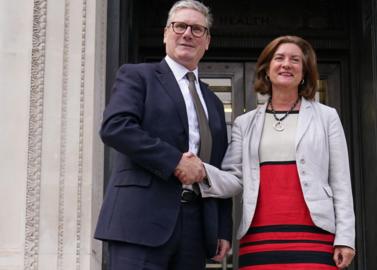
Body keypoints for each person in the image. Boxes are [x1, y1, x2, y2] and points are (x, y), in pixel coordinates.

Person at [178, 35, 355, 269]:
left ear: (304, 73)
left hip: (315, 236)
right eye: (279, 58)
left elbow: (340, 181)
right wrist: (202, 172)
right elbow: (234, 177)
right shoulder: (244, 122)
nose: (286, 64)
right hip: (259, 236)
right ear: (267, 70)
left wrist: (345, 238)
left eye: (295, 60)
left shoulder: (327, 116)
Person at [94, 1, 232, 269]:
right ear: (166, 33)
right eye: (180, 26)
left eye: (197, 29)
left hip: (195, 226)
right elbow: (116, 127)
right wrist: (175, 161)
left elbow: (219, 166)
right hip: (139, 220)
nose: (187, 34)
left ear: (207, 41)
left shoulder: (213, 102)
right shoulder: (137, 76)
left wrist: (222, 227)